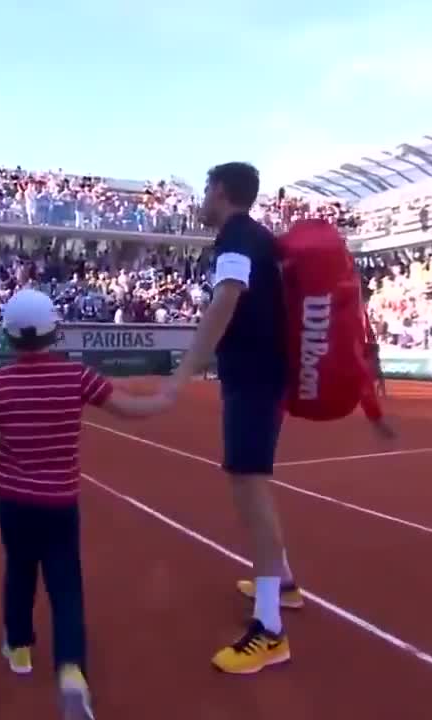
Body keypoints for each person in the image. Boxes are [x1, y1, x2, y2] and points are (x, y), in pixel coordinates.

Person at [0, 288, 172, 720]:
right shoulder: (75, 376)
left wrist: (13, 437)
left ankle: (20, 648)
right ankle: (71, 671)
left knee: (19, 571)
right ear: (54, 332)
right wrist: (165, 399)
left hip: (13, 500)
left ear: (8, 336)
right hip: (59, 500)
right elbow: (127, 408)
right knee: (65, 585)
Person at [163, 162, 297, 674]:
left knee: (249, 486)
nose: (202, 197)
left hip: (254, 380)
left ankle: (270, 630)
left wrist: (186, 369)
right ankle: (281, 581)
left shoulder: (237, 237)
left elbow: (225, 301)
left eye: (205, 188)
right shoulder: (254, 234)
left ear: (220, 191)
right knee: (252, 482)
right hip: (261, 376)